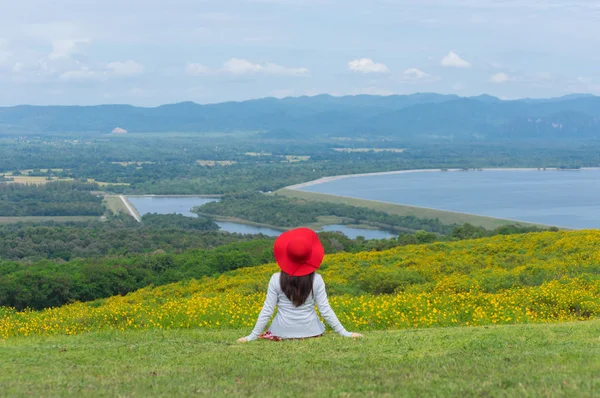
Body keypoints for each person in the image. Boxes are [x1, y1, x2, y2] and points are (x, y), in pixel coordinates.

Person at [237, 227, 363, 342]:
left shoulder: (276, 279)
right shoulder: (317, 279)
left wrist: (251, 336)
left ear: (286, 256)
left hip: (281, 333)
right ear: (310, 256)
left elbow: (267, 310)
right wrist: (345, 333)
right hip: (312, 333)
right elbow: (325, 310)